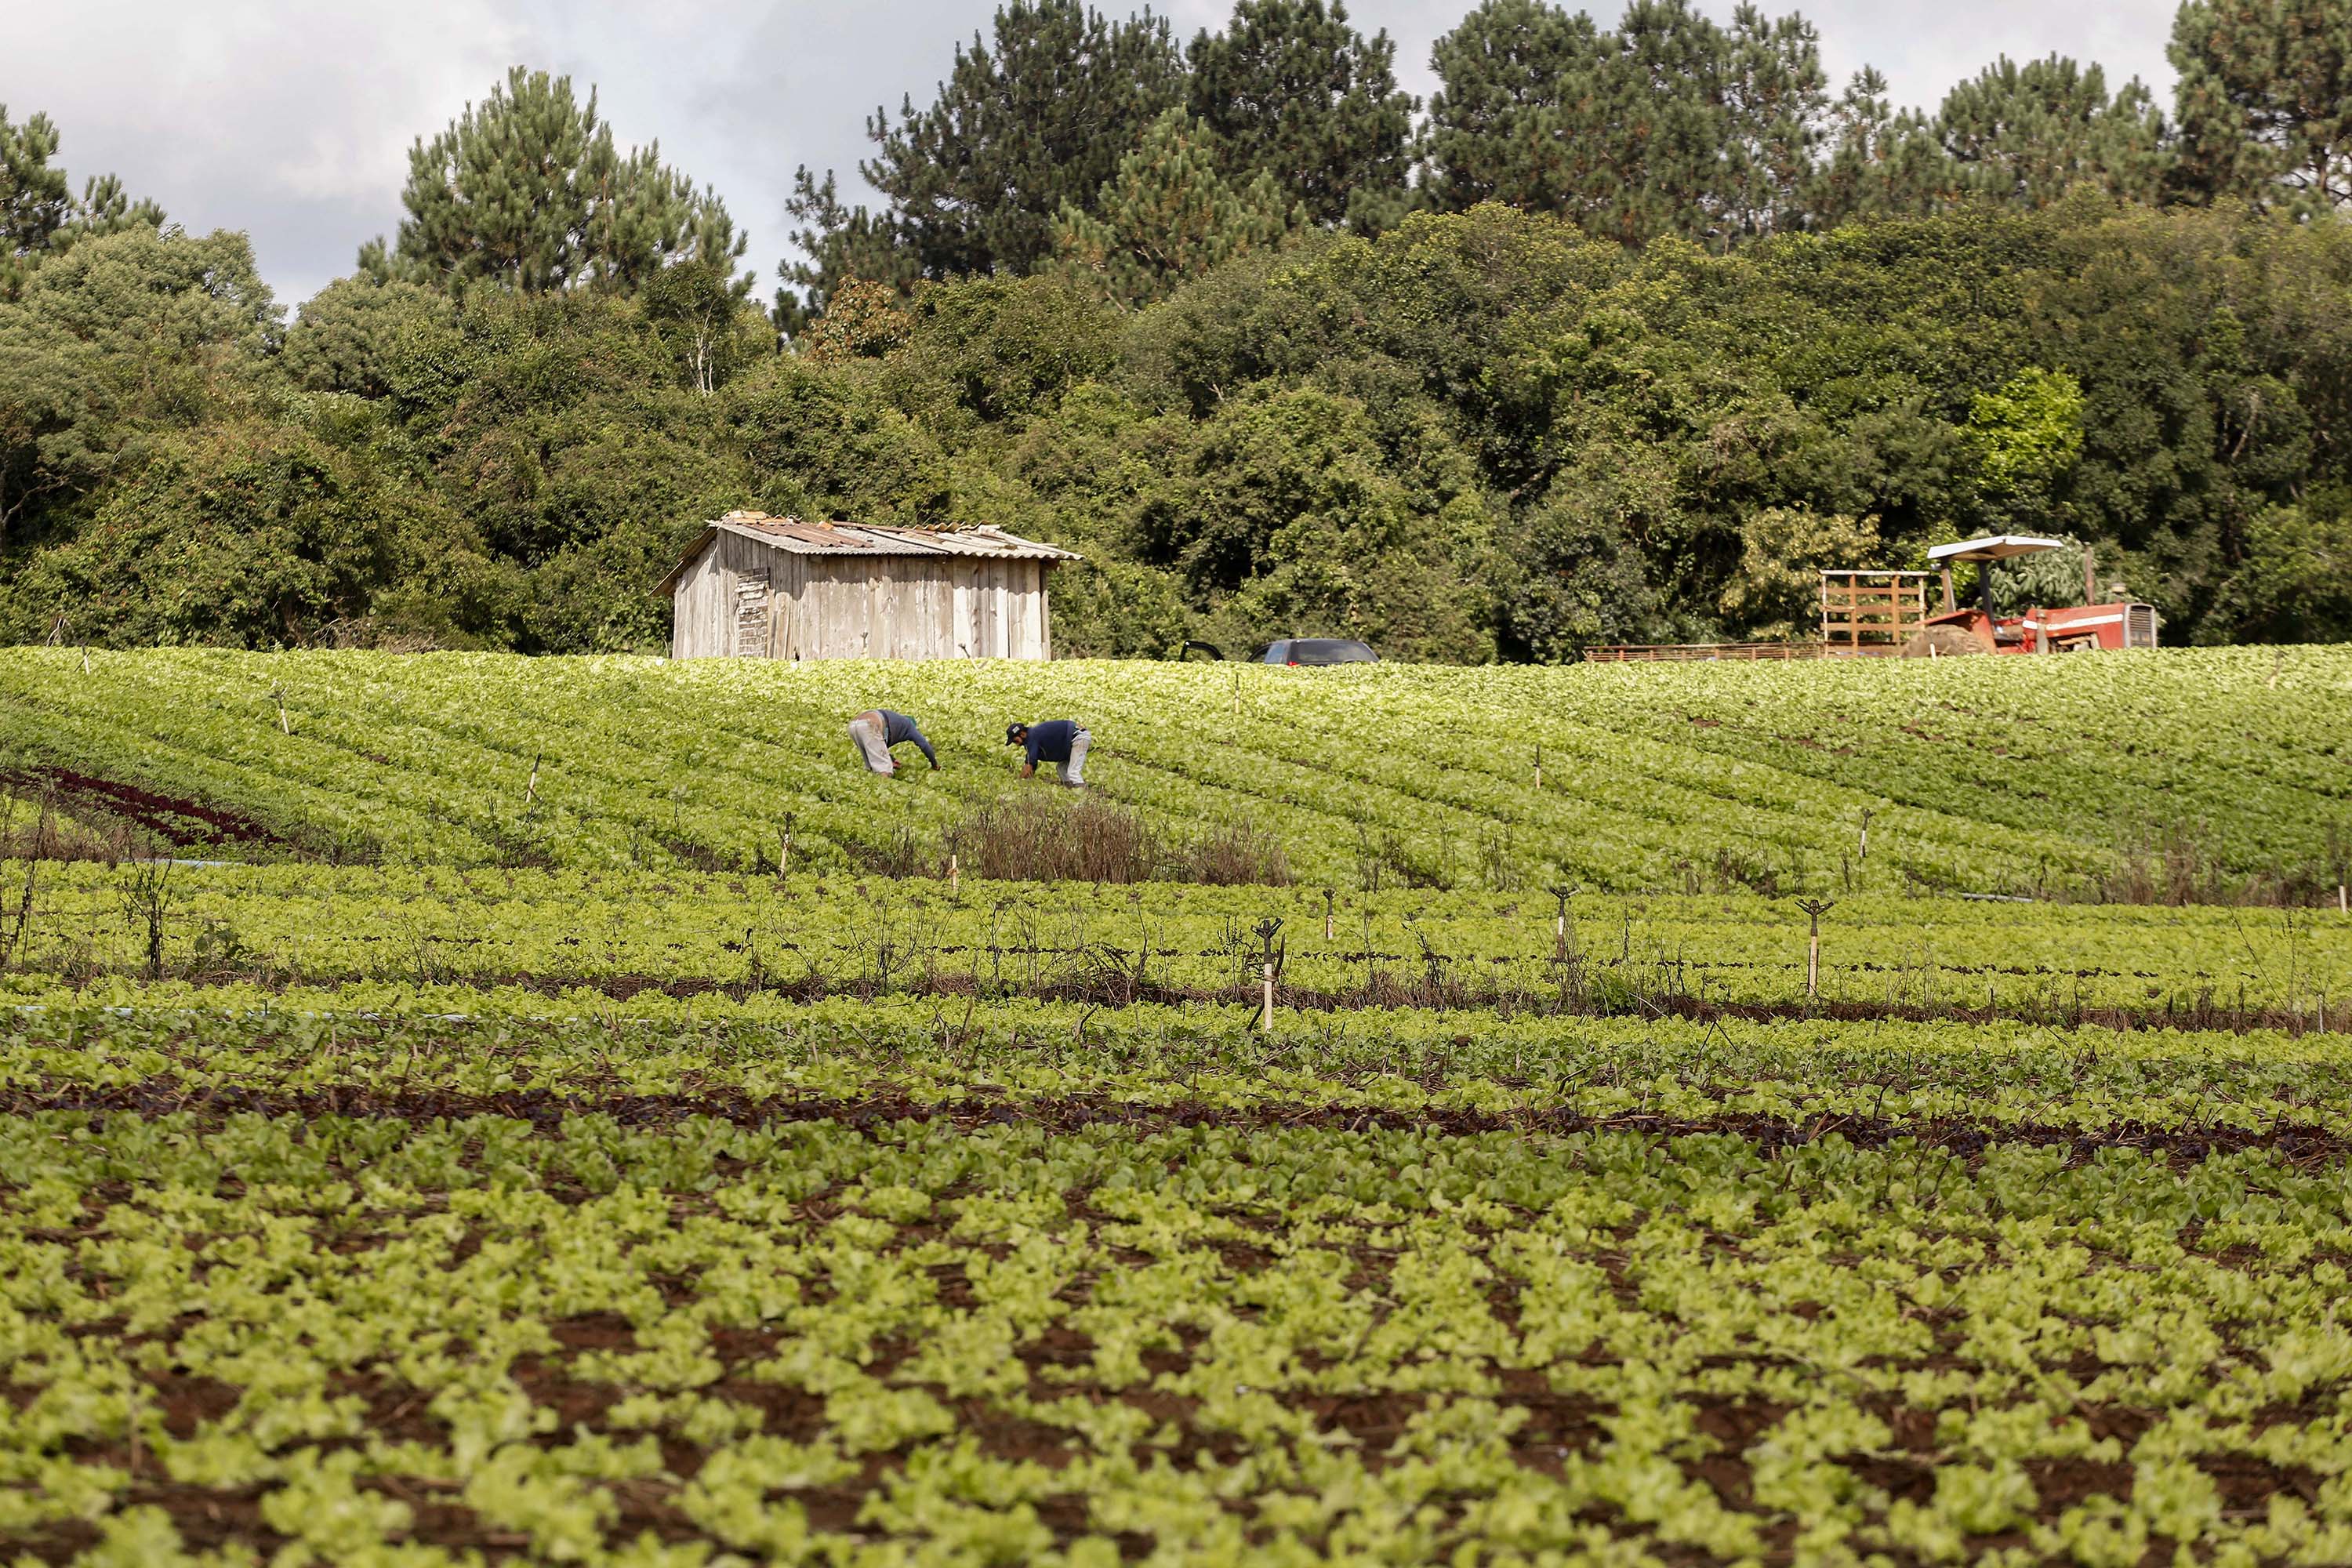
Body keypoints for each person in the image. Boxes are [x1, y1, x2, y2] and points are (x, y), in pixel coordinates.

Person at [847, 710, 939, 776]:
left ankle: (871, 788)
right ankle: (882, 792)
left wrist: (892, 759)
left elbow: (879, 745)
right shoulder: (909, 726)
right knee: (885, 769)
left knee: (871, 766)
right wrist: (934, 764)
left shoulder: (894, 722)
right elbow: (924, 745)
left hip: (853, 726)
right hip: (869, 725)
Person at [1005, 720, 1089, 787]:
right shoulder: (1033, 736)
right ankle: (1070, 789)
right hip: (1073, 740)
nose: (1017, 744)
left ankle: (1083, 795)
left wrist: (1019, 783)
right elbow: (1032, 764)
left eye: (1015, 741)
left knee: (1073, 772)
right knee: (1061, 768)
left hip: (1078, 737)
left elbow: (1029, 765)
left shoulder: (1032, 738)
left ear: (1022, 734)